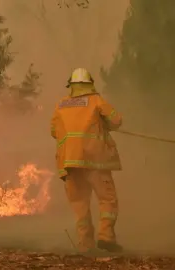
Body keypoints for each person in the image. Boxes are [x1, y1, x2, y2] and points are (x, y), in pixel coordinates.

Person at [50, 68, 124, 253]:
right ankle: (106, 237)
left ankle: (85, 243)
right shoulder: (95, 100)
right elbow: (116, 120)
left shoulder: (61, 105)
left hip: (70, 164)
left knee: (79, 204)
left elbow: (53, 131)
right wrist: (102, 124)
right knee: (107, 199)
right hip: (94, 161)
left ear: (72, 86)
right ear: (89, 84)